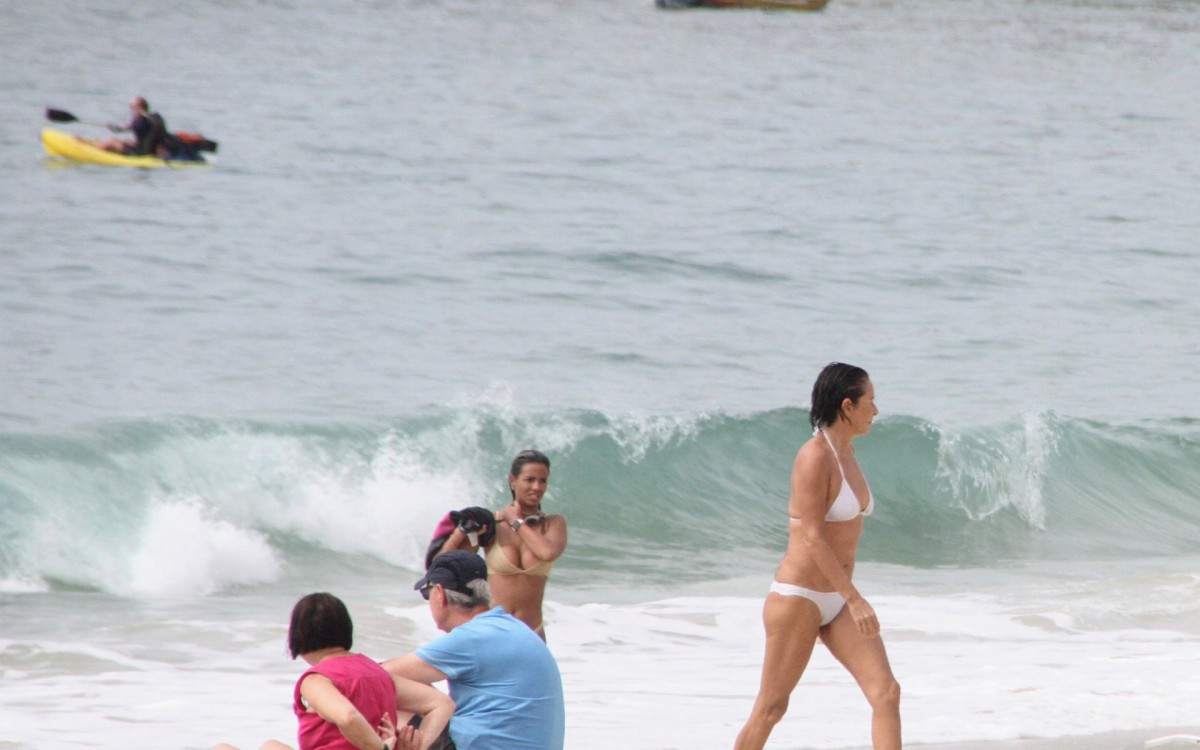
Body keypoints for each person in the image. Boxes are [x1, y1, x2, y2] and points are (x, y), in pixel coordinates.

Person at [733, 363, 901, 750]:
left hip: (837, 599)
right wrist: (854, 599)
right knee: (771, 708)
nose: (876, 410)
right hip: (800, 598)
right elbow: (812, 536)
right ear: (847, 406)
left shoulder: (848, 453)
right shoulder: (814, 457)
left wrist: (846, 597)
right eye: (870, 401)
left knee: (886, 693)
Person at [213, 592, 453, 750]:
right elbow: (441, 703)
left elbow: (347, 716)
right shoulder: (378, 673)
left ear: (299, 636)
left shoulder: (317, 680)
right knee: (271, 746)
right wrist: (419, 745)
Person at [383, 551, 566, 750]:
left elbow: (374, 675)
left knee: (379, 687)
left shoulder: (473, 637)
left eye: (427, 593)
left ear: (440, 593)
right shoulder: (513, 627)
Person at [436, 450, 567, 639]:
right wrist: (461, 532)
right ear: (513, 481)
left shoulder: (553, 524)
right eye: (529, 480)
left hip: (532, 633)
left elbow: (547, 553)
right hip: (493, 631)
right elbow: (443, 566)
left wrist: (515, 520)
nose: (537, 487)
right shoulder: (492, 524)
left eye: (543, 481)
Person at [94, 96, 167, 155]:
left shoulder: (139, 120)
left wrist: (111, 126)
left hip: (140, 153)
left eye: (132, 107)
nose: (131, 110)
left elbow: (120, 129)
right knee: (126, 141)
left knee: (112, 141)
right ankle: (100, 145)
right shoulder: (154, 117)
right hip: (150, 151)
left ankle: (95, 151)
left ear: (139, 108)